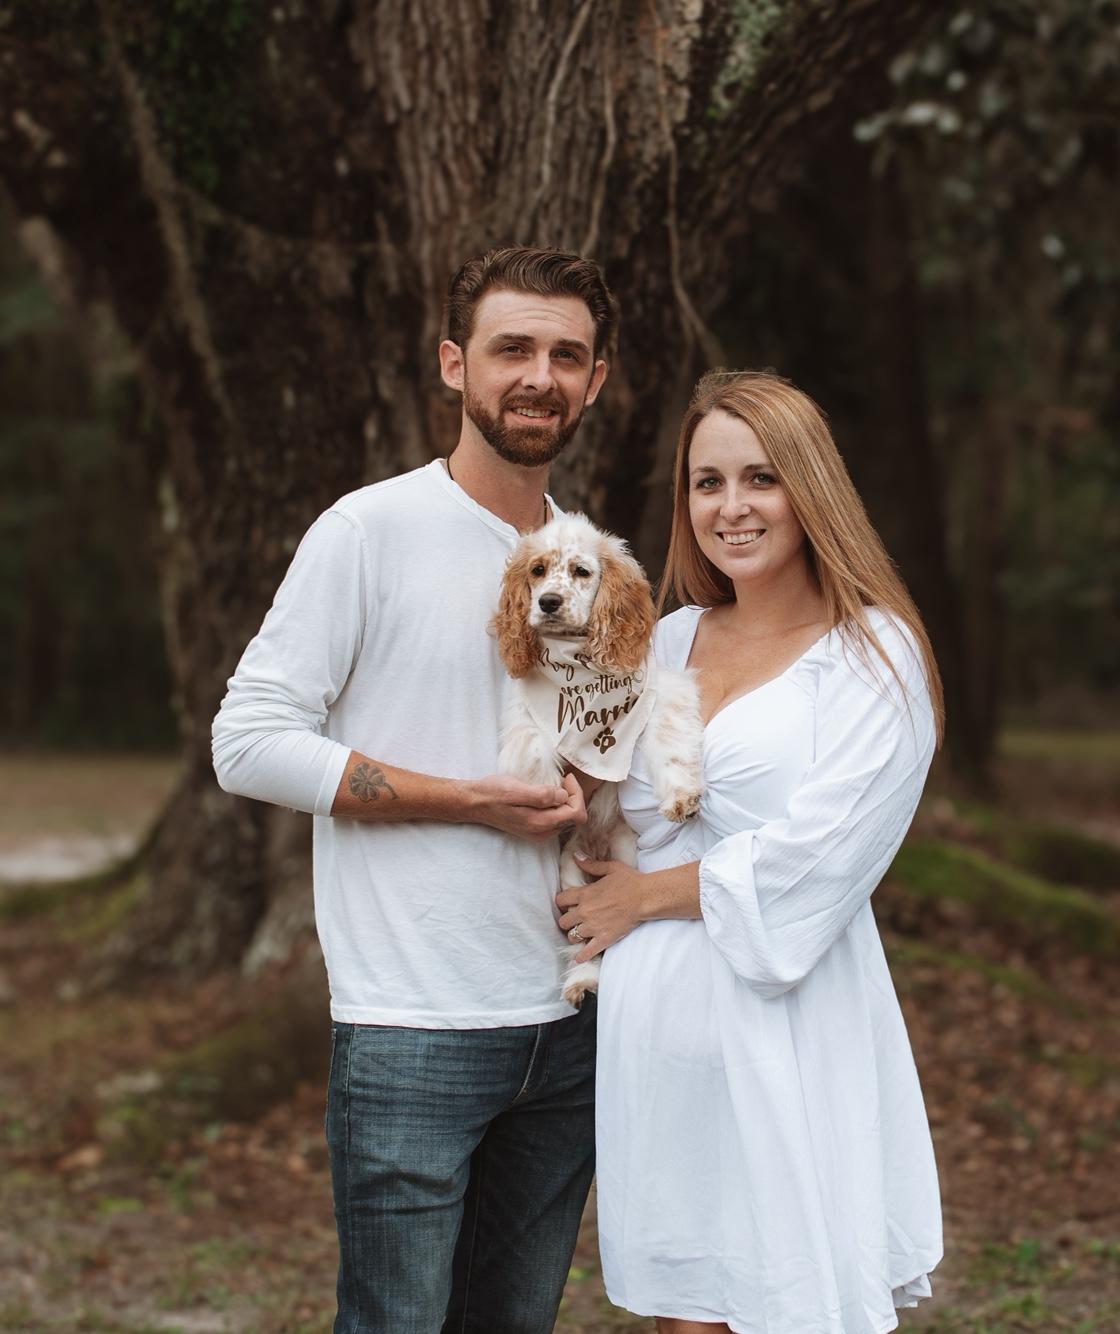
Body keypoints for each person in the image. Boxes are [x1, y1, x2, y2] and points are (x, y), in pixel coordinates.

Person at [211, 245, 618, 1333]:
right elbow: (246, 742)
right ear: (453, 364)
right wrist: (468, 799)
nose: (538, 376)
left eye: (565, 355)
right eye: (512, 348)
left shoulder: (582, 560)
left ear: (595, 381)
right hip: (412, 1026)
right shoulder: (368, 531)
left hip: (568, 1023)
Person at [556, 370, 946, 1334]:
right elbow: (587, 786)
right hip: (656, 1023)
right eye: (708, 482)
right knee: (686, 1310)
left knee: (790, 1298)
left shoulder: (876, 655)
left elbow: (823, 858)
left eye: (760, 478)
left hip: (790, 1019)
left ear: (811, 489)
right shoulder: (664, 640)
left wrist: (640, 899)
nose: (732, 507)